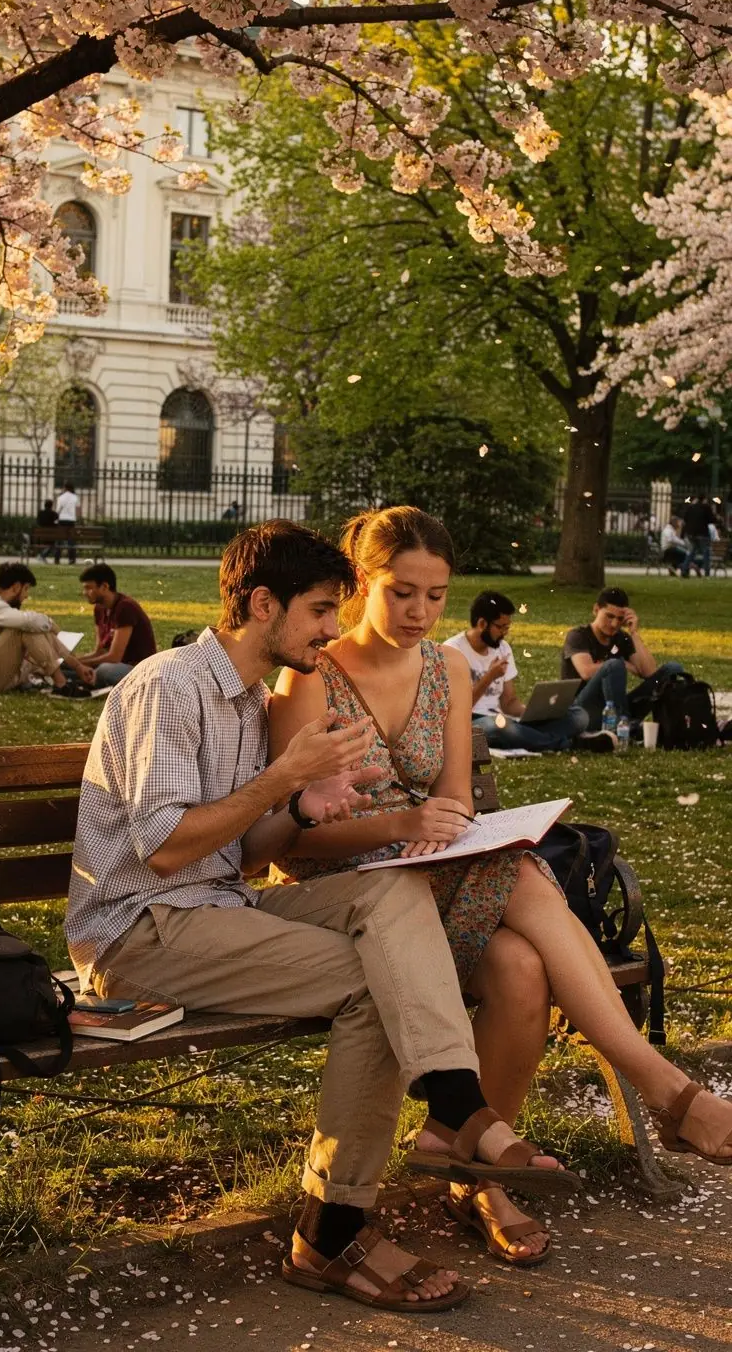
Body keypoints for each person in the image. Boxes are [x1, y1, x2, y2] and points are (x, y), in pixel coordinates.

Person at [66, 520, 573, 1315]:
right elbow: (164, 852)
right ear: (263, 604)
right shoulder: (171, 684)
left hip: (216, 907)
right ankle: (337, 1230)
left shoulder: (245, 698)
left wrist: (303, 804)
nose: (335, 630)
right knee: (375, 986)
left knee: (389, 887)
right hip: (142, 931)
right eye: (321, 611)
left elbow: (250, 846)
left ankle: (452, 1103)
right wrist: (285, 780)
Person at [269, 506, 732, 1266]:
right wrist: (404, 825)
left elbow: (453, 802)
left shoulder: (448, 670)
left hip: (437, 880)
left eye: (436, 595)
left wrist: (447, 826)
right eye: (401, 592)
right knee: (518, 884)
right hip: (347, 900)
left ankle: (472, 1168)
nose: (420, 612)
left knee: (521, 966)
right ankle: (667, 1092)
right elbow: (292, 840)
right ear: (361, 584)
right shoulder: (311, 674)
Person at [444, 591, 610, 754]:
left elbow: (509, 703)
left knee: (579, 716)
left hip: (505, 719)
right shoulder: (453, 651)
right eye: (501, 627)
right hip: (469, 722)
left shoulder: (502, 649)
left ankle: (532, 737)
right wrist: (489, 677)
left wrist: (536, 714)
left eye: (507, 627)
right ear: (482, 623)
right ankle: (568, 743)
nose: (505, 633)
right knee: (500, 726)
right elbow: (457, 708)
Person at [0, 561, 96, 696]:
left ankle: (66, 678)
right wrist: (51, 624)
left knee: (30, 628)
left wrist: (78, 666)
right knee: (24, 628)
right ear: (16, 587)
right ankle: (61, 684)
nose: (26, 596)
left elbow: (32, 623)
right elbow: (28, 622)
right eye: (26, 589)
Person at [561, 587, 686, 731]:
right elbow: (586, 672)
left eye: (620, 619)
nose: (614, 624)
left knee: (671, 670)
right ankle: (623, 726)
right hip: (582, 712)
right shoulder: (578, 635)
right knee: (614, 665)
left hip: (615, 706)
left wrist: (634, 633)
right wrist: (622, 664)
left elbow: (650, 673)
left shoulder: (621, 638)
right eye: (609, 616)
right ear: (596, 610)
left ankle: (668, 726)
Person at [77, 563, 157, 687]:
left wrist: (81, 664)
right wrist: (76, 663)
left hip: (137, 668)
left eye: (89, 588)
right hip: (115, 665)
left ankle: (85, 680)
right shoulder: (99, 609)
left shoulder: (125, 608)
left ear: (104, 586)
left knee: (103, 670)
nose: (85, 592)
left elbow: (114, 657)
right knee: (69, 667)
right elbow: (99, 651)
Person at [681, 494, 715, 578]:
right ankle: (707, 572)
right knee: (705, 552)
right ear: (704, 499)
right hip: (702, 533)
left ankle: (684, 569)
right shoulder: (706, 507)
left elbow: (685, 519)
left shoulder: (691, 507)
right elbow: (711, 520)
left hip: (691, 533)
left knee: (692, 551)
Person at [54, 480, 78, 565]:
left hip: (62, 520)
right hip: (71, 520)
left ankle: (57, 559)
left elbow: (58, 510)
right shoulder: (75, 497)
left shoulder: (60, 497)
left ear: (65, 488)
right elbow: (78, 509)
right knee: (71, 541)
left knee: (59, 541)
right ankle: (71, 559)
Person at [36, 498, 59, 563]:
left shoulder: (40, 513)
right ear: (51, 506)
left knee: (51, 544)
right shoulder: (54, 513)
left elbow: (38, 522)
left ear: (44, 505)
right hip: (51, 536)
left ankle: (42, 555)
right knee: (53, 544)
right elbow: (57, 523)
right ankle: (42, 555)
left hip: (41, 536)